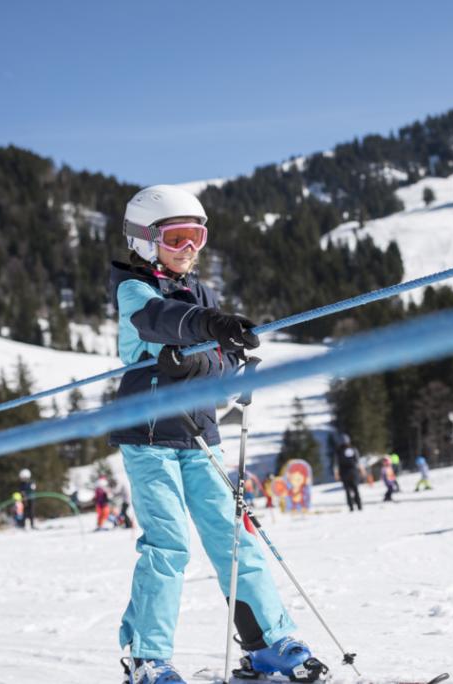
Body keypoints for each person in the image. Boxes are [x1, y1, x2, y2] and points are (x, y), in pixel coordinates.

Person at [110, 186, 325, 684]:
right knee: (168, 544)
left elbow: (215, 357)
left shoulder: (199, 292)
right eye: (176, 238)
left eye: (197, 238)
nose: (189, 250)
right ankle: (149, 659)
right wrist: (209, 327)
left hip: (201, 432)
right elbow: (160, 322)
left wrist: (231, 360)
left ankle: (269, 644)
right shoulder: (134, 289)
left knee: (234, 538)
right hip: (148, 433)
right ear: (144, 240)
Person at [333, 434, 364, 512]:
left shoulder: (338, 451)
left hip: (344, 472)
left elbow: (336, 463)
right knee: (355, 489)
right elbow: (358, 461)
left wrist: (336, 473)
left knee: (347, 490)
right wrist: (362, 470)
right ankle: (359, 505)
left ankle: (351, 507)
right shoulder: (353, 449)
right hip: (353, 471)